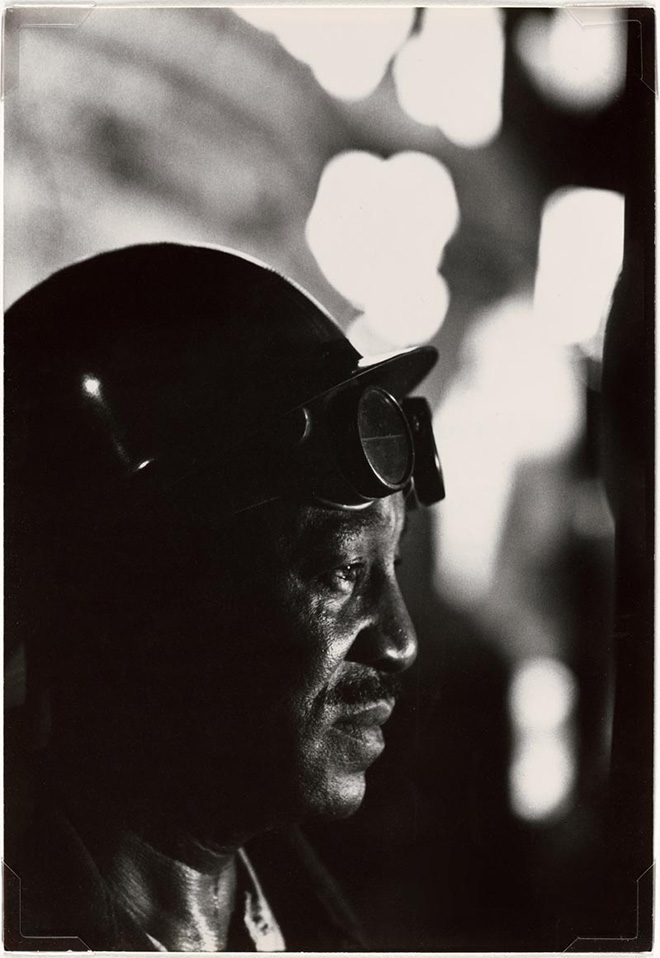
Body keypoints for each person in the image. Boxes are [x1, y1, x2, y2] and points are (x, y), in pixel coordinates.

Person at [4, 243, 443, 951]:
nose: (400, 640)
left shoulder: (306, 920)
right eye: (341, 572)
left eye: (391, 567)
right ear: (135, 593)